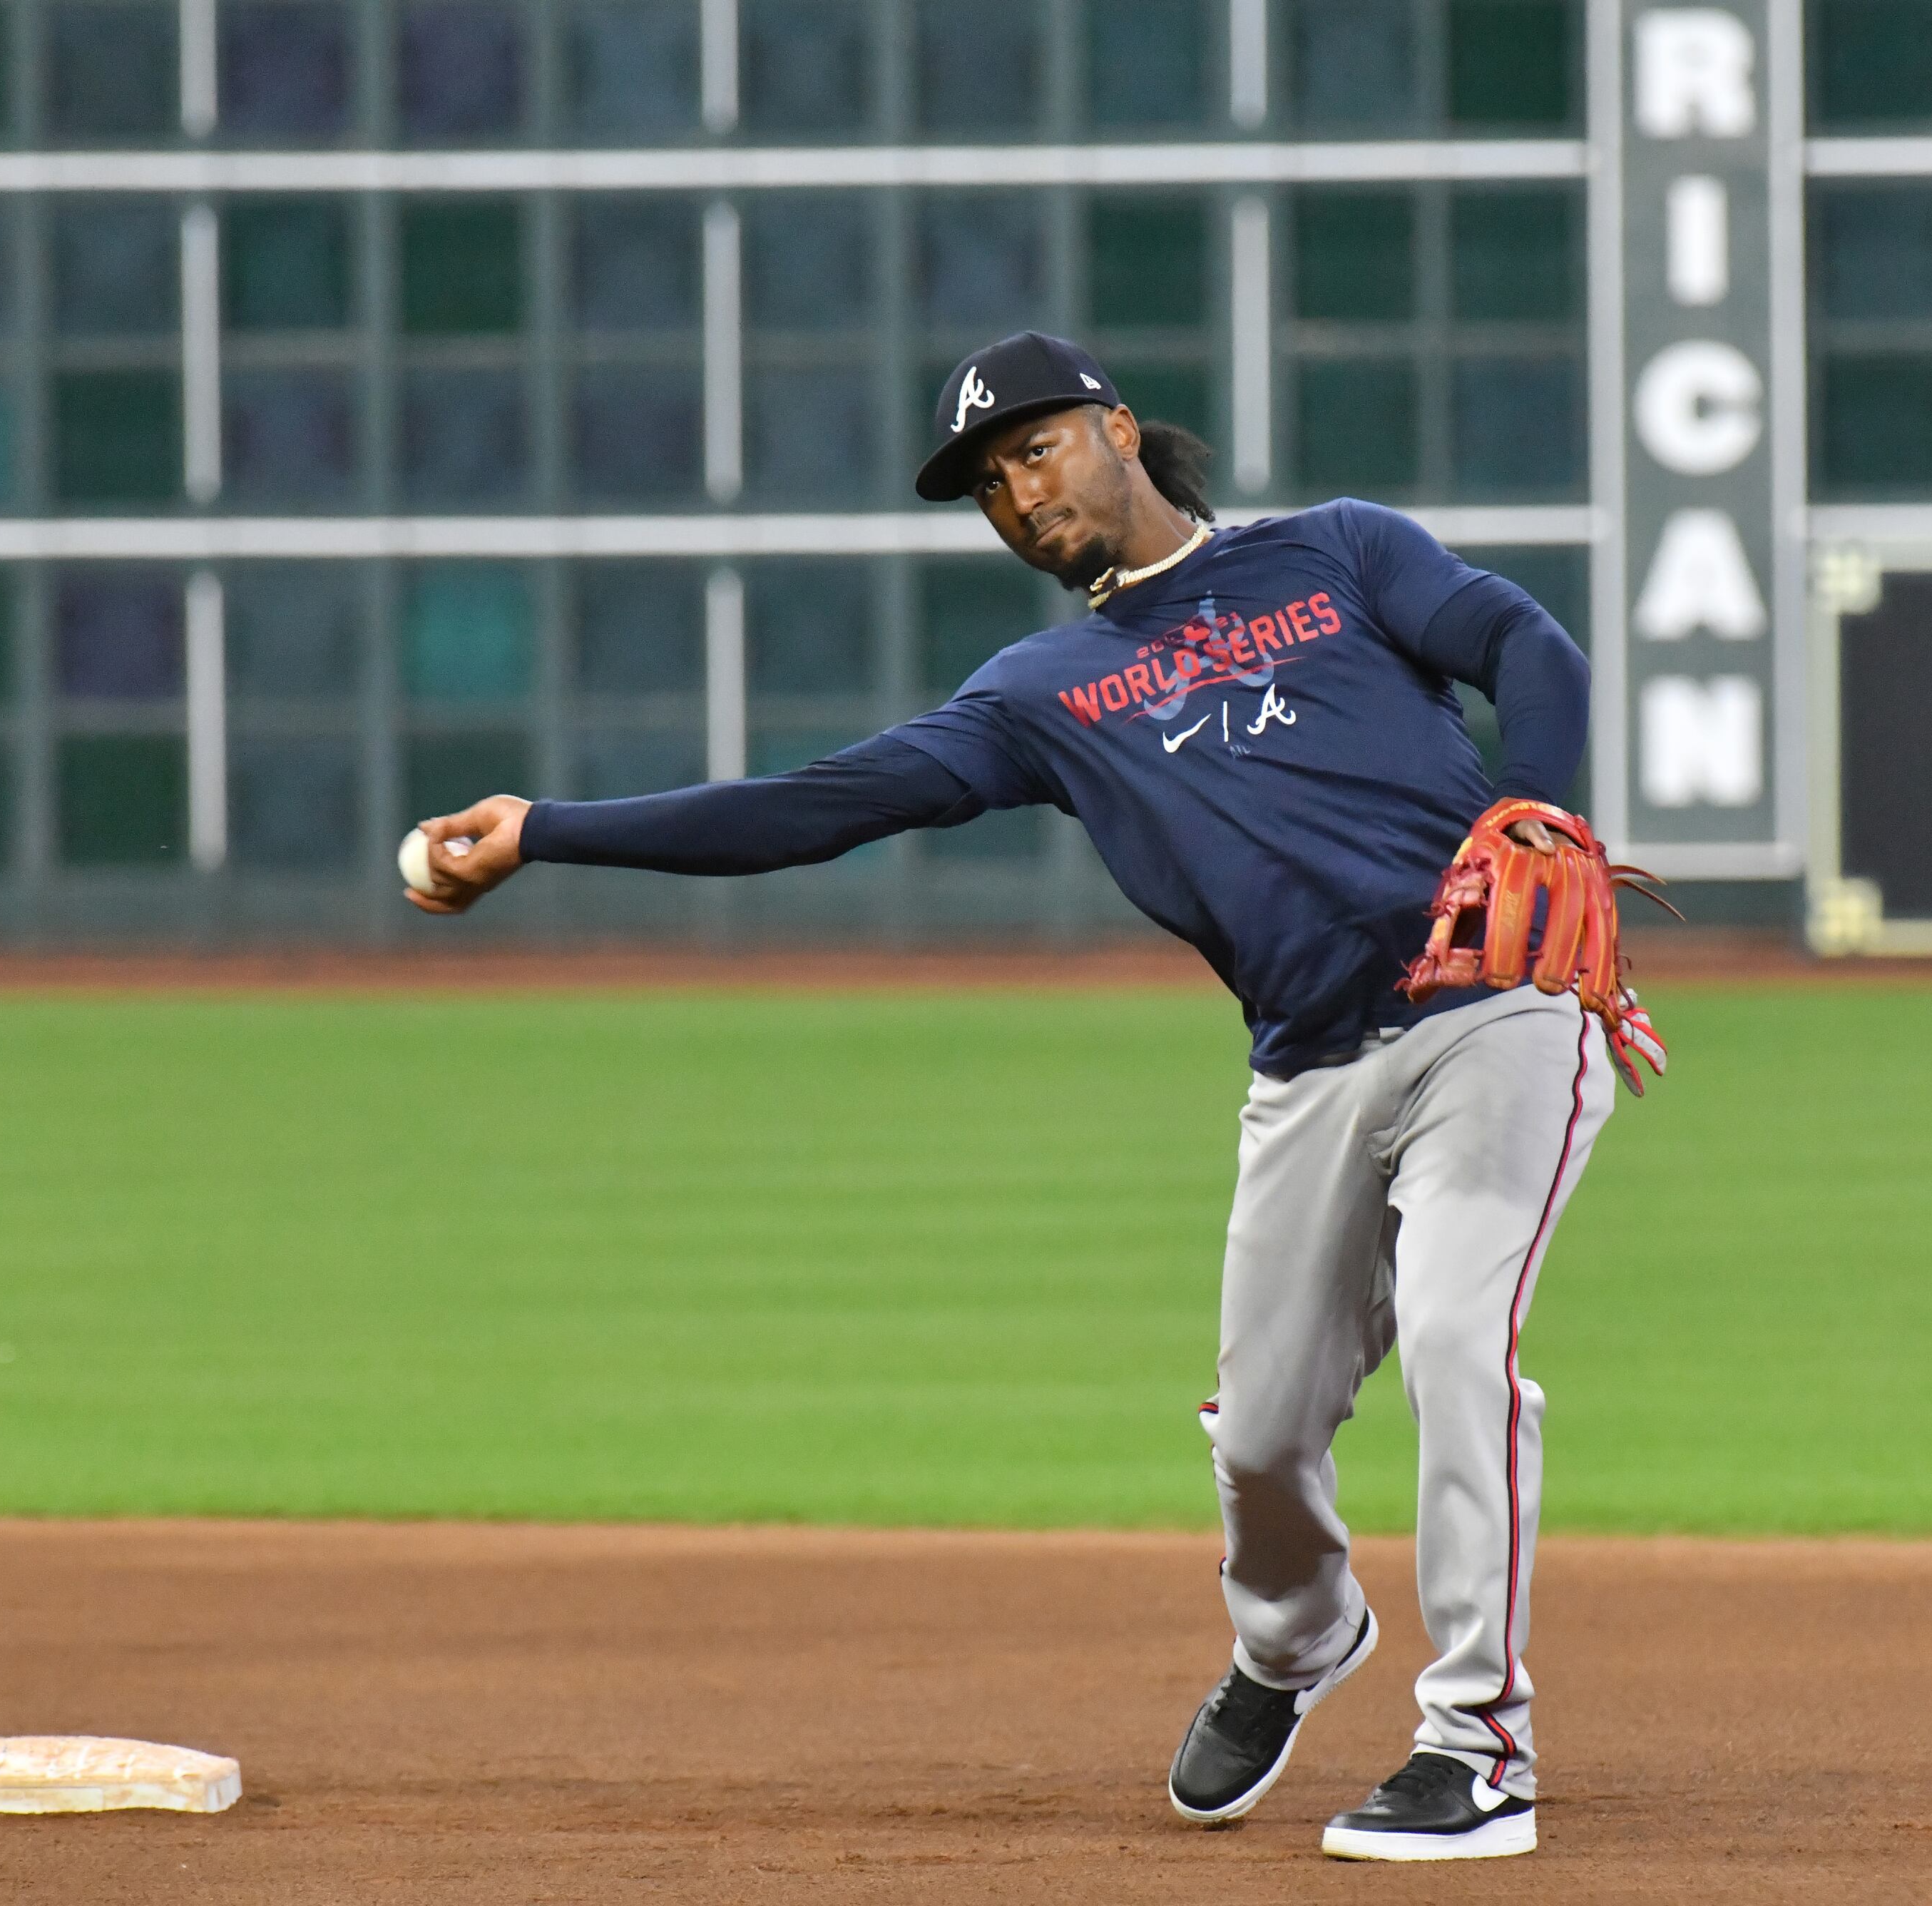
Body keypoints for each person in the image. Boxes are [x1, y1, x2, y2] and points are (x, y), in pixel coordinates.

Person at [409, 331, 1617, 1863]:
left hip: (1492, 1009)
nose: (1016, 492)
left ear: (1119, 428)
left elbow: (1531, 649)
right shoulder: (1039, 693)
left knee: (1458, 1335)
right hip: (1307, 1063)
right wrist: (549, 828)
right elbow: (814, 809)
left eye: (1035, 448)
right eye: (988, 484)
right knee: (1259, 1434)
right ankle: (1297, 1639)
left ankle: (1476, 1743)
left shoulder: (1338, 550)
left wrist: (1545, 815)